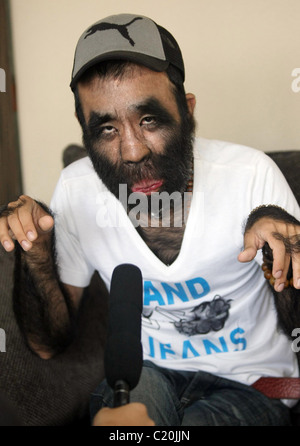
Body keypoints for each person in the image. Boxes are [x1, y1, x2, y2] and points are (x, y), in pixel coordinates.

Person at [0, 13, 300, 426]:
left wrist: (286, 251)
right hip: (144, 375)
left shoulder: (251, 175)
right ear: (84, 131)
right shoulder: (76, 190)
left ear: (187, 110)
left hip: (257, 381)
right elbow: (48, 346)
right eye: (106, 128)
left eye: (149, 120)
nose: (133, 151)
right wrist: (35, 251)